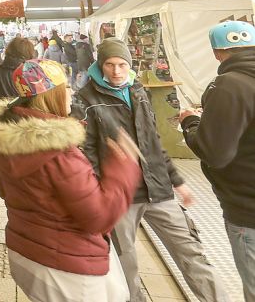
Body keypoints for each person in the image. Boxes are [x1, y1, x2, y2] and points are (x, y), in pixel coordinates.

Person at [75, 38, 228, 302]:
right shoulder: (85, 99)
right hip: (119, 195)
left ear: (130, 65)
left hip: (158, 189)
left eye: (122, 64)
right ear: (100, 65)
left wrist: (176, 180)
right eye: (109, 64)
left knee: (191, 252)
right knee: (126, 262)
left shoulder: (138, 90)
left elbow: (153, 141)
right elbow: (85, 153)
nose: (116, 71)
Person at [0, 59, 141, 301]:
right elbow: (99, 216)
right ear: (50, 95)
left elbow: (1, 188)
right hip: (66, 264)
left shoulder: (3, 137)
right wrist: (124, 166)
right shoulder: (59, 152)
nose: (71, 93)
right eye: (65, 88)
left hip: (25, 249)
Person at [178, 21, 255, 301]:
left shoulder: (230, 84)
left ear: (217, 53)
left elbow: (215, 153)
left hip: (248, 208)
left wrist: (192, 123)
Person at [0, 36, 36, 103]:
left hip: (2, 112)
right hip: (25, 112)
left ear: (9, 50)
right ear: (29, 53)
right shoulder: (33, 73)